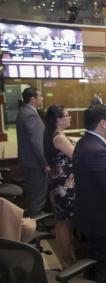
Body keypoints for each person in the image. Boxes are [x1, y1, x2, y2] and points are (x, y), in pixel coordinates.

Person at [73, 104, 106, 283]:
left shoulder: (84, 143)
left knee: (93, 270)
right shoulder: (99, 152)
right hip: (104, 224)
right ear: (102, 123)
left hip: (89, 220)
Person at [43, 105, 75, 268]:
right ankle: (67, 261)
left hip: (59, 182)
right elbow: (76, 156)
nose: (70, 117)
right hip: (63, 187)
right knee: (63, 223)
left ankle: (66, 258)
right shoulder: (59, 138)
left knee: (62, 223)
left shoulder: (54, 134)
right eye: (67, 115)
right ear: (58, 120)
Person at [16, 87, 49, 217]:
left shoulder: (23, 111)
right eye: (40, 96)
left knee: (33, 194)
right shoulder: (30, 114)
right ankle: (35, 230)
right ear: (33, 99)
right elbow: (37, 142)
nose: (42, 98)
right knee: (37, 197)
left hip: (29, 161)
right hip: (35, 163)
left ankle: (33, 223)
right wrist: (45, 163)